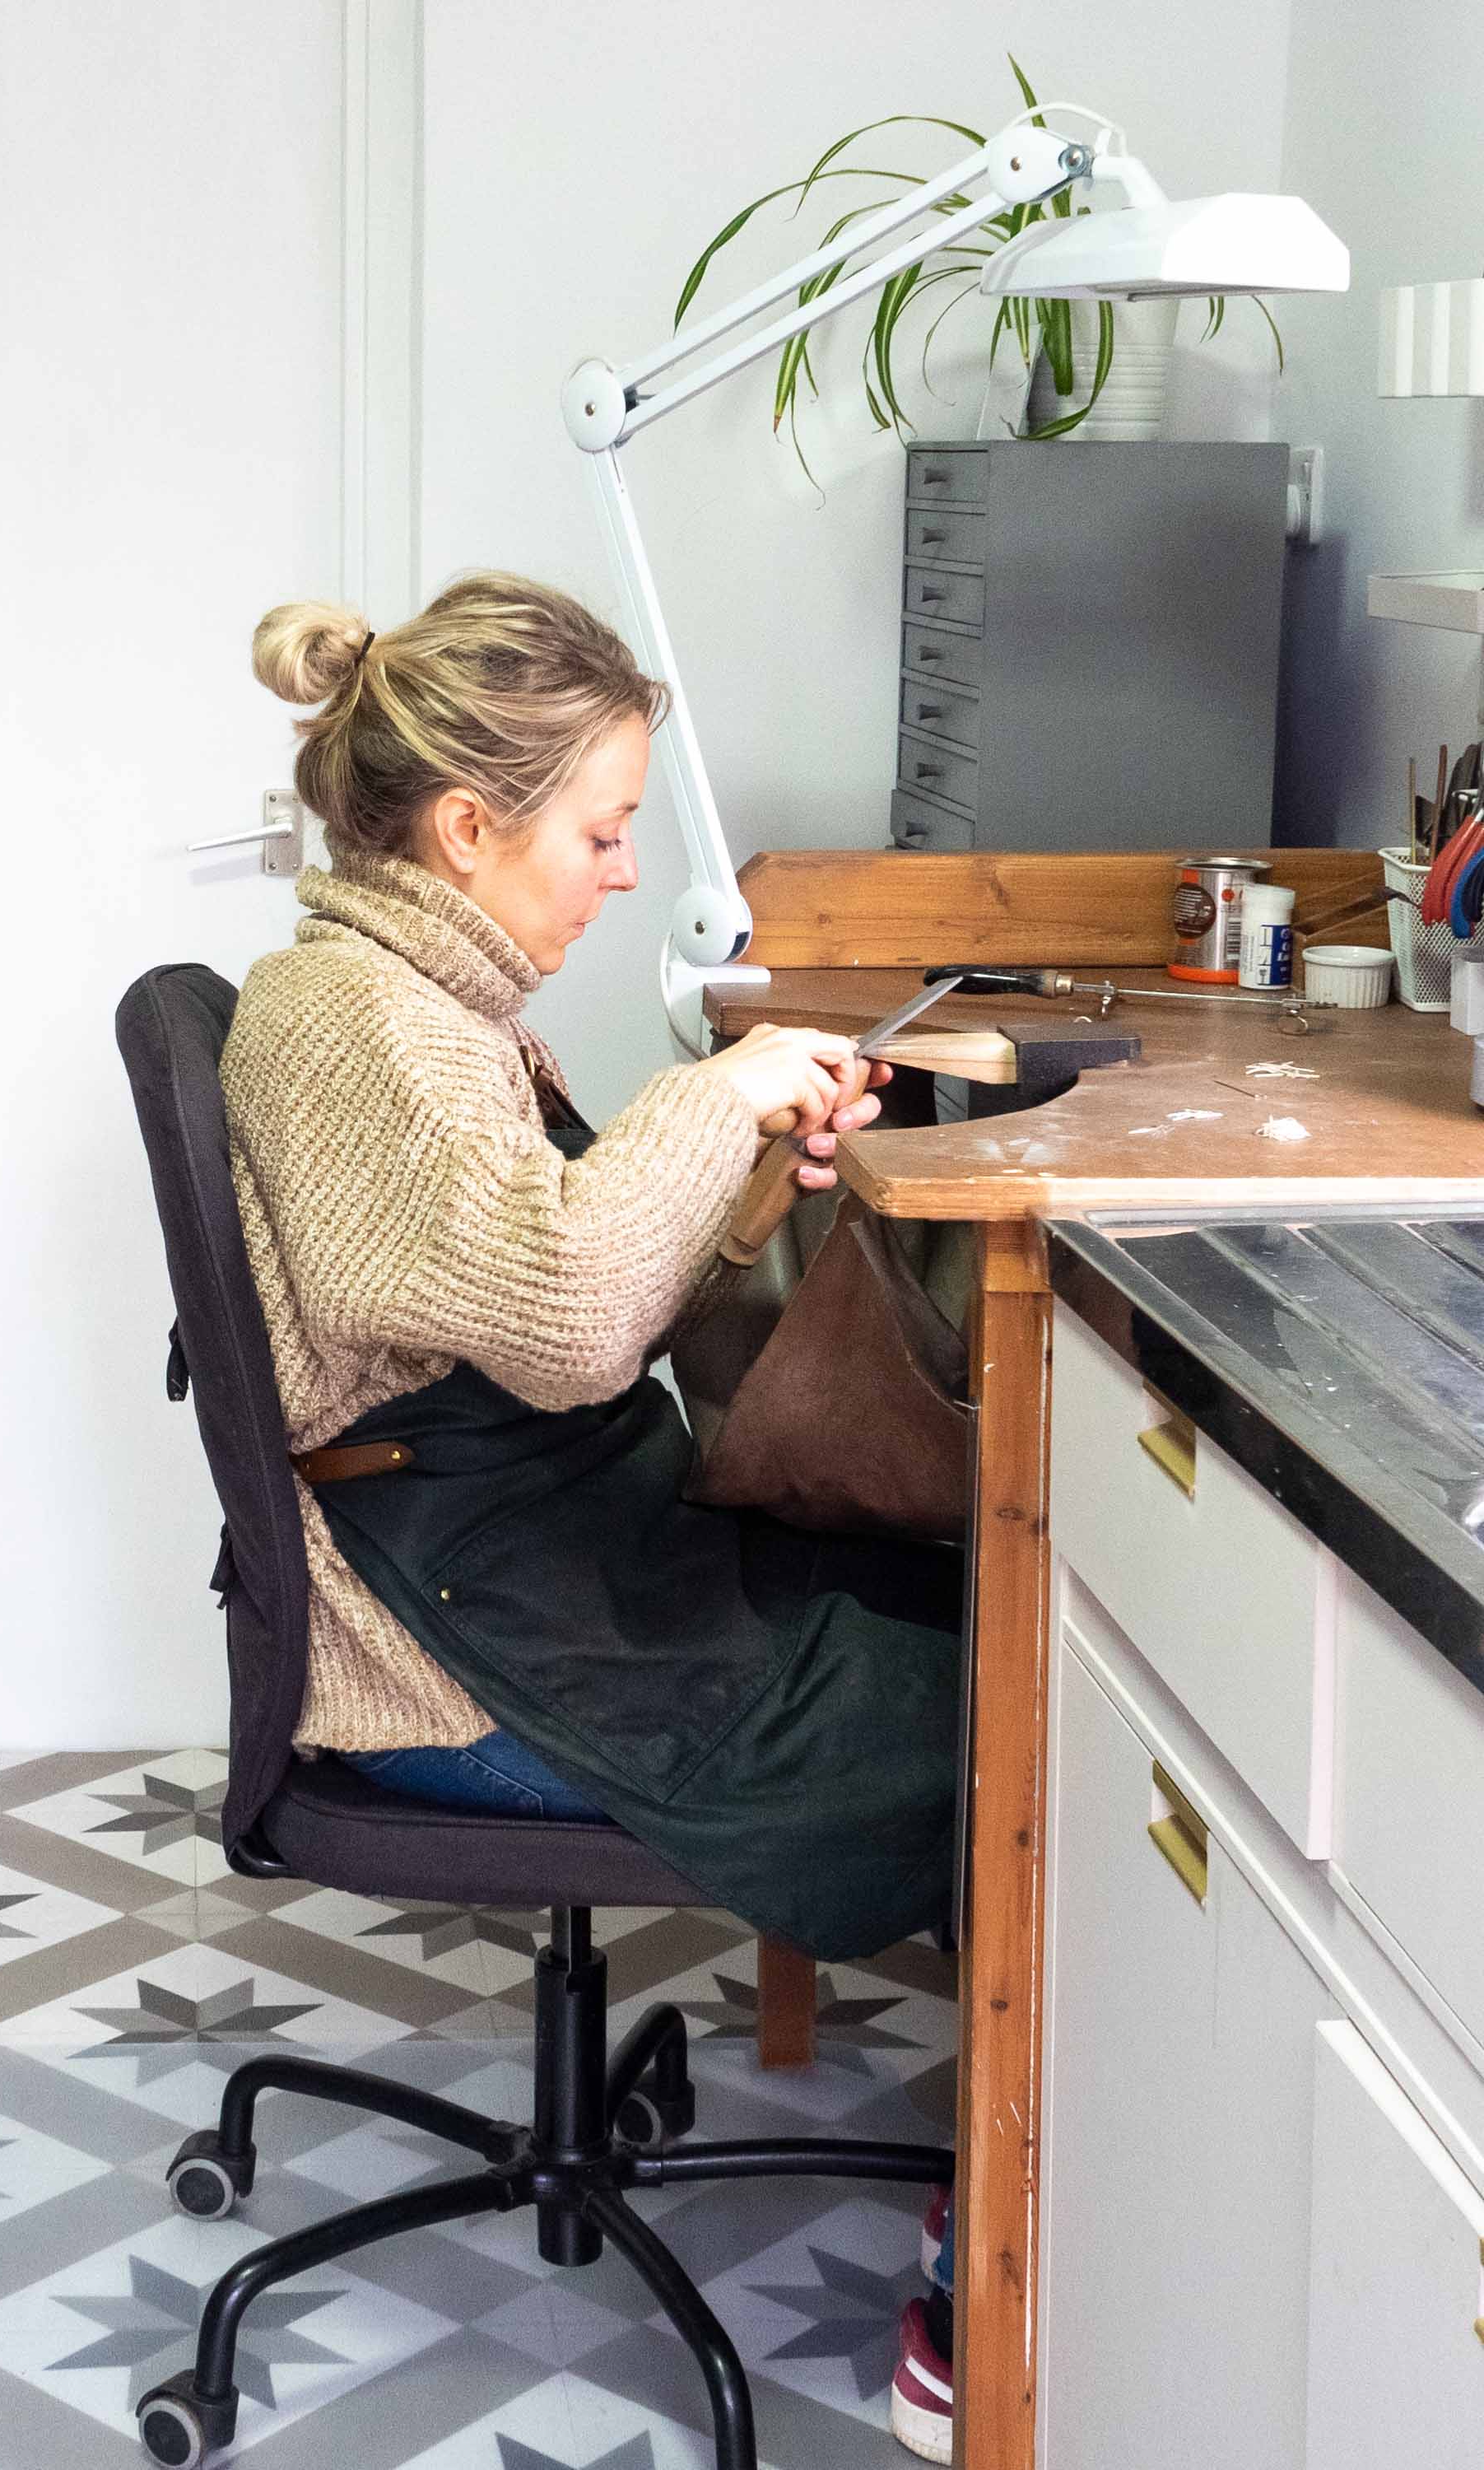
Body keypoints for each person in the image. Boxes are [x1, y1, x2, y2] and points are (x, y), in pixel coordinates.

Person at [221, 572, 961, 2463]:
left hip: (530, 1553)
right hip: (452, 1643)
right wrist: (719, 1097)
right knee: (994, 1721)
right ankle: (1003, 2273)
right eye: (601, 833)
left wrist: (739, 1167)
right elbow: (558, 1325)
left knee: (938, 1617)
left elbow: (550, 1281)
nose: (622, 874)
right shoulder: (357, 1031)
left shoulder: (429, 997)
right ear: (469, 831)